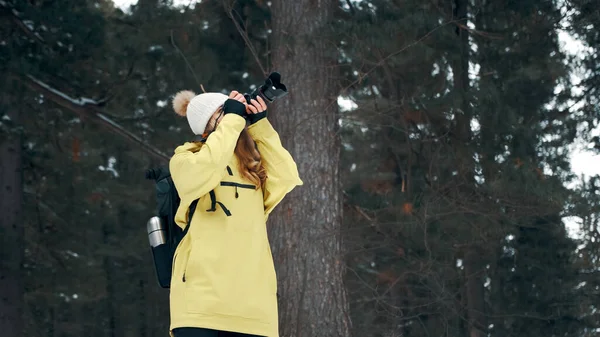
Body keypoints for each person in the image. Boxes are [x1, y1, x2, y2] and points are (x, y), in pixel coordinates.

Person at [168, 89, 303, 337]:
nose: (237, 120)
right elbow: (206, 169)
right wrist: (231, 120)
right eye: (227, 113)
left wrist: (260, 125)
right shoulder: (185, 159)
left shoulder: (252, 167)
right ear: (208, 127)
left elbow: (286, 176)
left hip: (253, 308)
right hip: (200, 305)